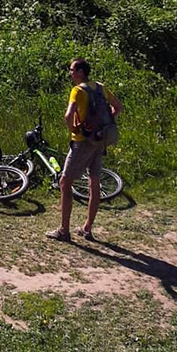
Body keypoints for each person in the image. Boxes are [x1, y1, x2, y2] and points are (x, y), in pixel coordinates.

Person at [46, 58, 123, 242]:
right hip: (100, 139)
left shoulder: (78, 90)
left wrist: (74, 129)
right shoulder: (100, 87)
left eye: (72, 70)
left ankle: (64, 231)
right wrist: (103, 124)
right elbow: (118, 107)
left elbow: (68, 115)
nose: (70, 73)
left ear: (80, 72)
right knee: (94, 181)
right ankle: (87, 228)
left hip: (83, 141)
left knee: (65, 182)